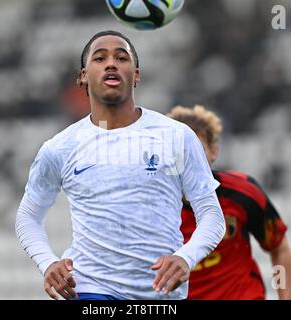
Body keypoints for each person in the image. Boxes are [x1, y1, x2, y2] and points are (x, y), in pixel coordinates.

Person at [15, 31, 226, 300]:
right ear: (83, 76)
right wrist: (47, 263)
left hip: (161, 294)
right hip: (91, 288)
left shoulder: (176, 136)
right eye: (100, 58)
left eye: (121, 57)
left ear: (136, 75)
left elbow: (211, 215)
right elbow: (28, 217)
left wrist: (185, 257)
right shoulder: (60, 147)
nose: (111, 64)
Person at [167, 105, 291, 300]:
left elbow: (279, 249)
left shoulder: (243, 192)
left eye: (197, 150)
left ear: (214, 152)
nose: (191, 159)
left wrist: (284, 297)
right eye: (182, 151)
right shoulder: (155, 205)